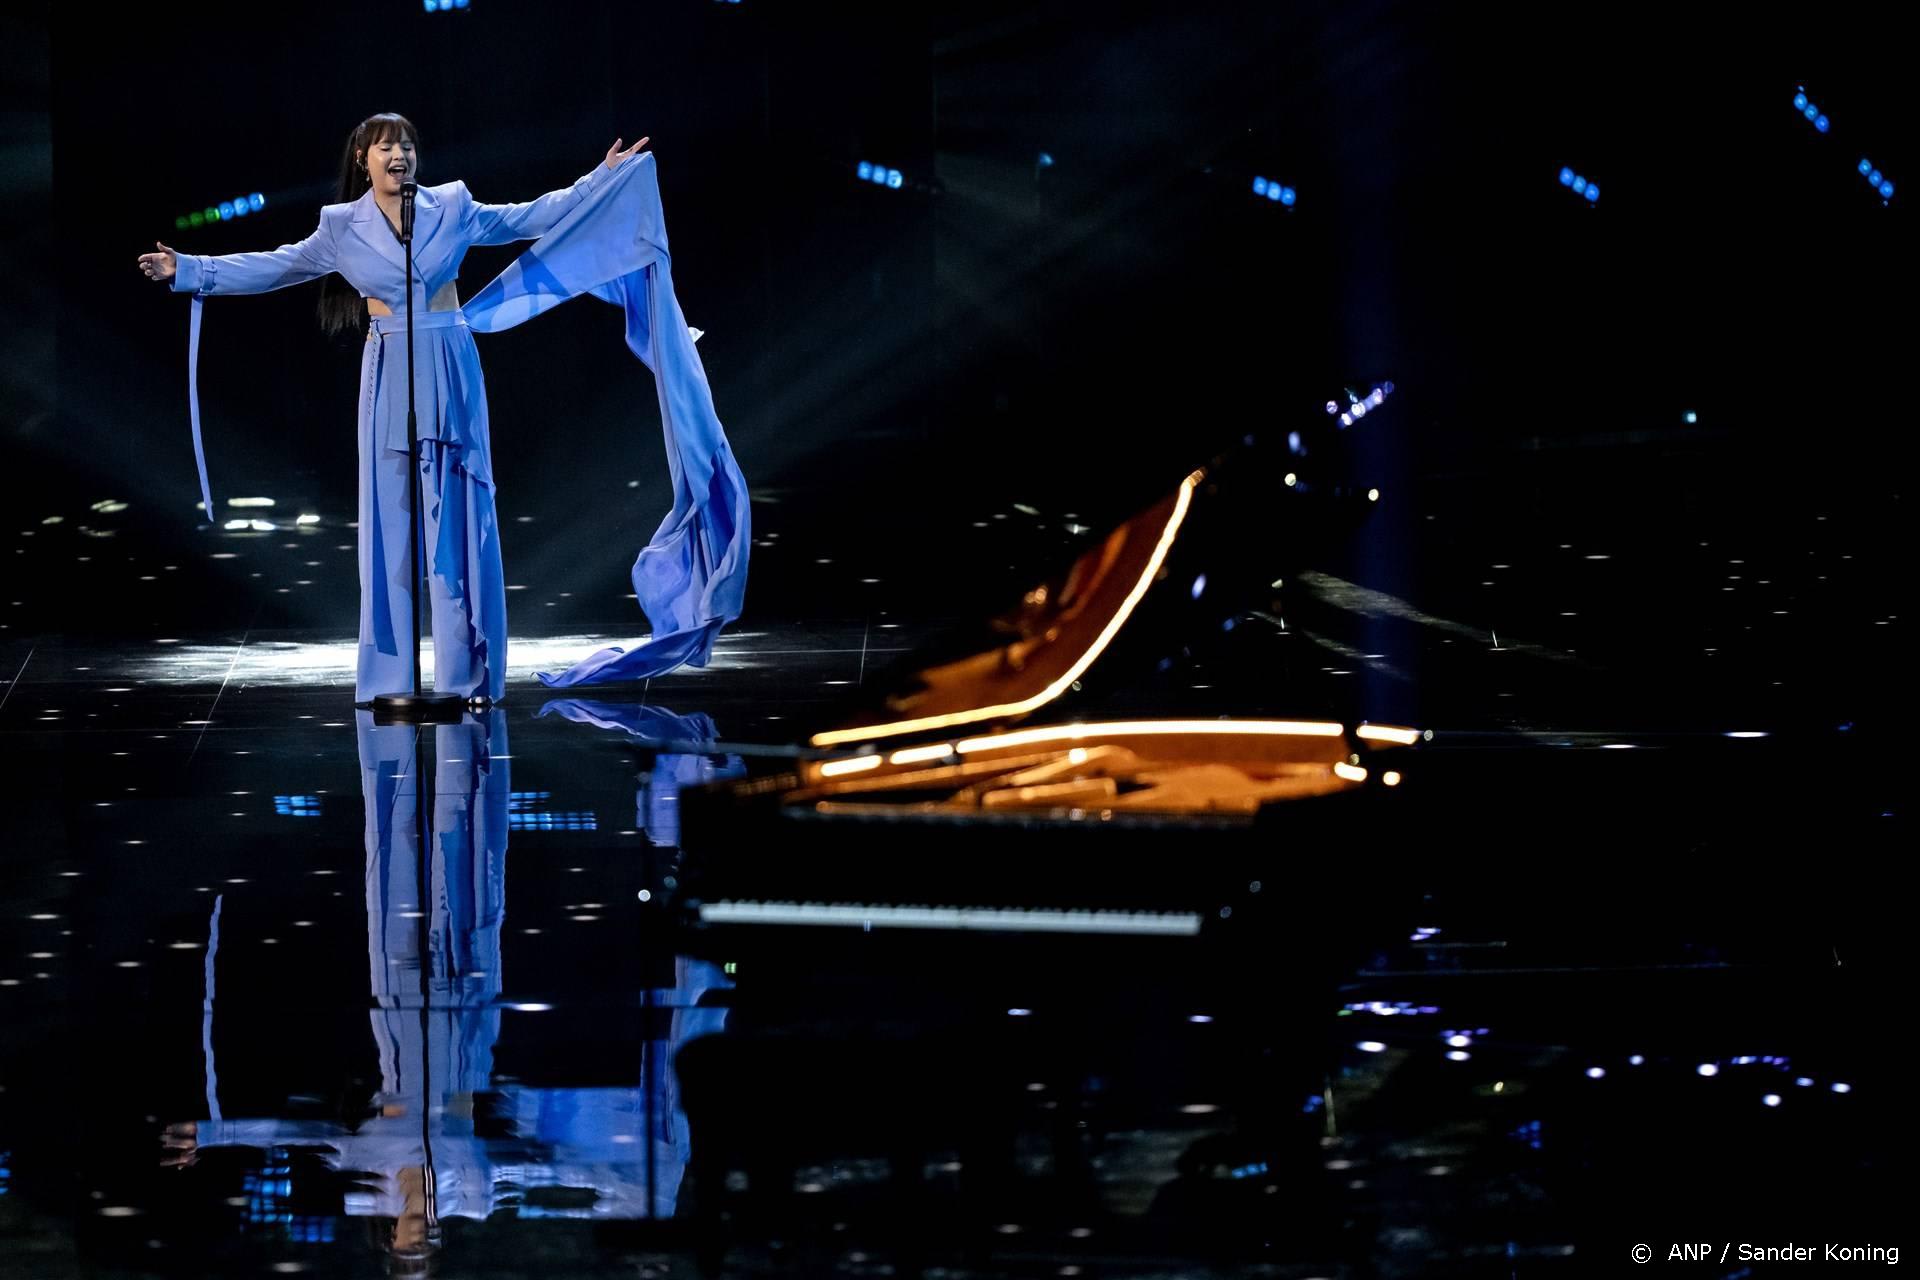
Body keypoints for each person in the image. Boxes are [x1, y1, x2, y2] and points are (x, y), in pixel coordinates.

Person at [137, 112, 749, 702]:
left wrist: (600, 178)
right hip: (387, 373)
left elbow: (527, 218)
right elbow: (277, 266)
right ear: (362, 159)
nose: (398, 154)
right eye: (384, 146)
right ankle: (389, 681)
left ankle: (468, 675)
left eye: (405, 145)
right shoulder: (339, 227)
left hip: (449, 363)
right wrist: (188, 269)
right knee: (391, 525)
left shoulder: (451, 206)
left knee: (457, 522)